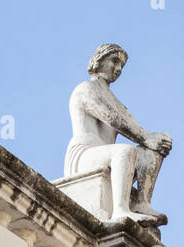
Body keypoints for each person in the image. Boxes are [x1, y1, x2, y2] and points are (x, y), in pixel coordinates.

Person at [64, 44, 171, 225]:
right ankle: (120, 210)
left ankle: (142, 203)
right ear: (99, 61)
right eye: (114, 61)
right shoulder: (86, 89)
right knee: (125, 151)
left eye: (122, 65)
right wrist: (146, 138)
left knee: (150, 151)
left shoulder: (116, 101)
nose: (118, 69)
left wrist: (155, 140)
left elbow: (133, 126)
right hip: (83, 155)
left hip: (105, 156)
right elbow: (112, 118)